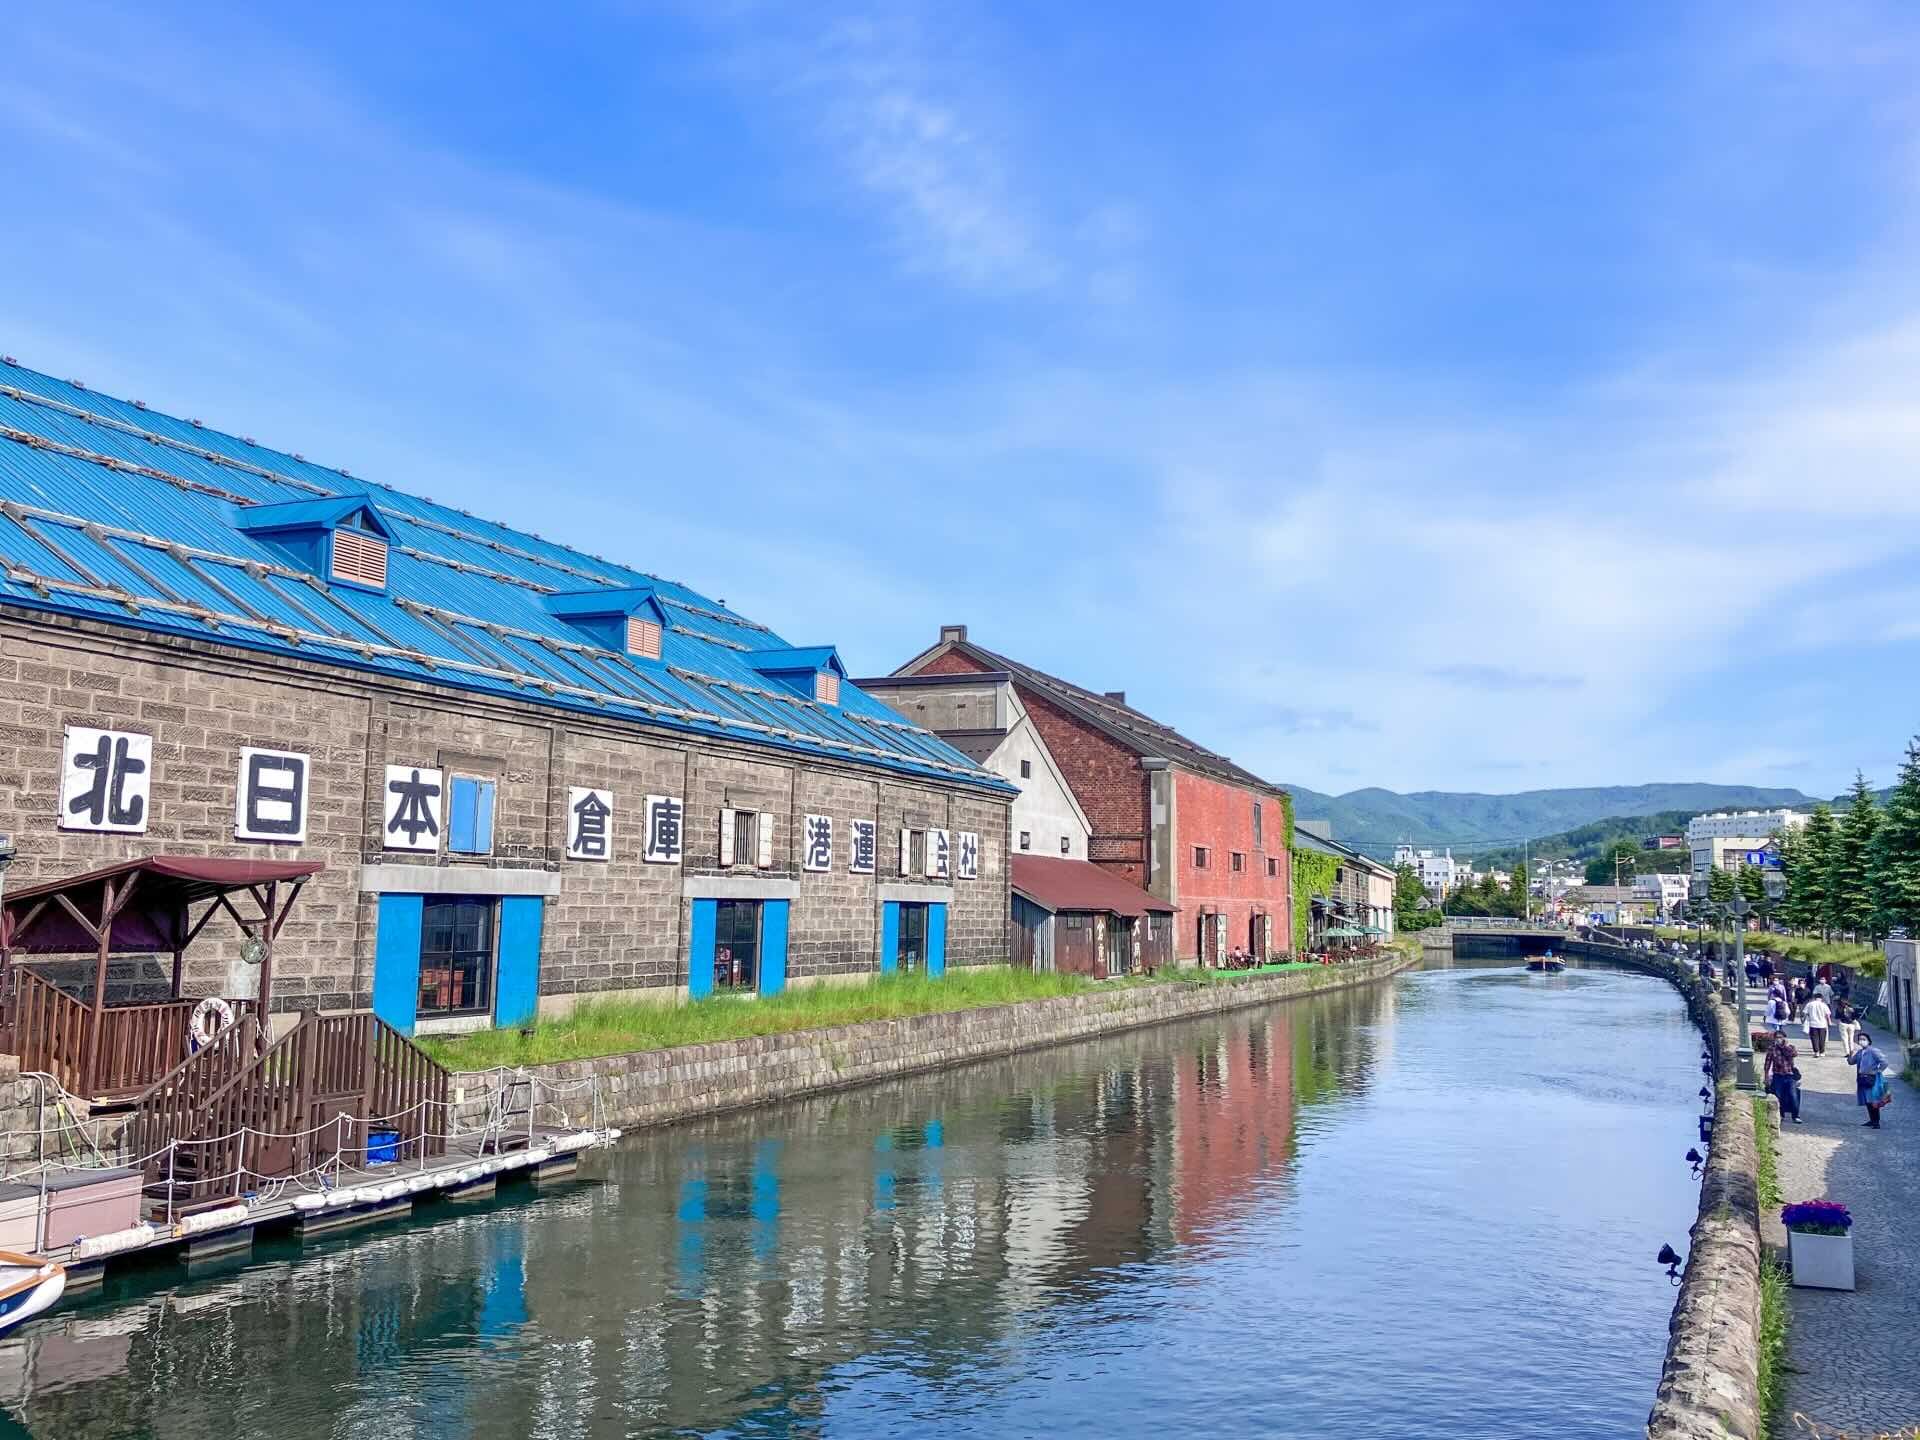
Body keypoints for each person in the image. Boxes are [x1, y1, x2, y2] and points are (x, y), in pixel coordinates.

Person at [1848, 1031, 1892, 1129]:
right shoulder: (1859, 1052)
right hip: (1862, 1079)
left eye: (1864, 1039)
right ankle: (1871, 1120)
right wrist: (1850, 1054)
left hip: (1872, 1079)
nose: (1861, 1041)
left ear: (1868, 1041)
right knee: (1867, 1101)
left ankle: (1876, 1122)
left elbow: (1884, 1062)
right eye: (1860, 1039)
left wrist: (1878, 1071)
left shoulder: (1873, 1051)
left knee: (1873, 1100)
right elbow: (1851, 1062)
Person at [1765, 1037, 1803, 1124]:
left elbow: (1794, 1054)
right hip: (1778, 1075)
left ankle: (1795, 1115)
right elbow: (1767, 1062)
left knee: (1793, 1095)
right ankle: (1781, 1115)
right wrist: (1766, 1076)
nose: (1779, 1040)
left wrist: (1785, 1046)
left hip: (1789, 1075)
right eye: (1777, 1038)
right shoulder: (1772, 1049)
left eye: (1780, 1038)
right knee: (1778, 1095)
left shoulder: (1790, 1047)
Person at [1803, 992, 1832, 1057]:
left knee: (1814, 1038)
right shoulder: (1824, 1005)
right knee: (1822, 1038)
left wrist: (1804, 1021)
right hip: (1822, 1024)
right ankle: (1822, 1052)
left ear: (1814, 998)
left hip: (1812, 1024)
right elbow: (1827, 1015)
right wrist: (1829, 1022)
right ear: (1821, 998)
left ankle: (1816, 1052)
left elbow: (1805, 1013)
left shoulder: (1809, 1004)